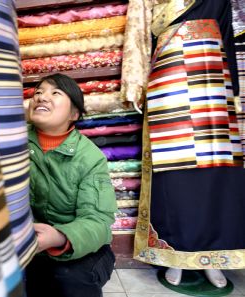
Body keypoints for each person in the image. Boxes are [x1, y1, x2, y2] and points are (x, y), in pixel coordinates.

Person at [133, 0, 245, 289]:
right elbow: (138, 36)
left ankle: (215, 256)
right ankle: (175, 254)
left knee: (216, 172)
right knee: (174, 172)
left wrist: (231, 89)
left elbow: (227, 35)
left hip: (211, 76)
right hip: (168, 80)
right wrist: (134, 84)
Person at [25, 73, 118, 297]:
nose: (42, 97)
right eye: (38, 92)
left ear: (74, 113)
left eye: (55, 93)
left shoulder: (90, 158)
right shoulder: (12, 143)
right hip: (29, 247)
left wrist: (60, 237)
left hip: (81, 247)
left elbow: (97, 220)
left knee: (70, 278)